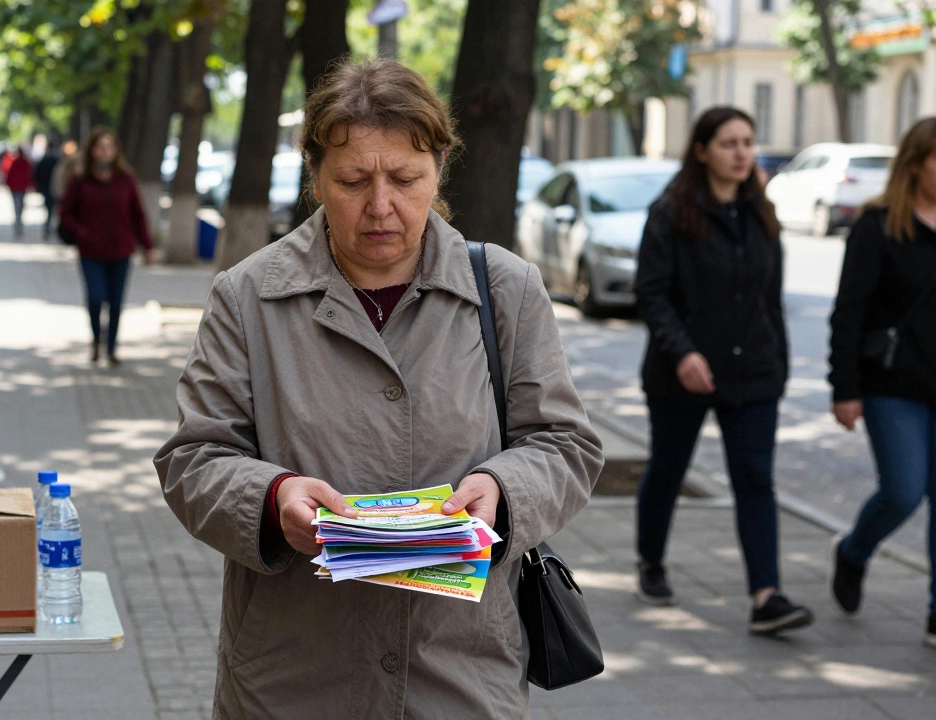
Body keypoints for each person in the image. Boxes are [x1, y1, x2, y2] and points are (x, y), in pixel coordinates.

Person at [153, 58, 602, 718]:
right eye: (354, 180)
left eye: (405, 179)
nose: (381, 205)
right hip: (291, 680)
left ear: (439, 169)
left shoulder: (505, 289)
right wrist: (272, 498)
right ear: (315, 177)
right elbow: (194, 458)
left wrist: (503, 490)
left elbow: (563, 443)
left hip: (460, 677)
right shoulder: (247, 296)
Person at [634, 106, 812, 634]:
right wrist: (683, 353)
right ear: (702, 151)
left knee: (755, 479)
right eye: (729, 143)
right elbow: (652, 293)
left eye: (747, 142)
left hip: (753, 370)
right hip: (682, 371)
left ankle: (766, 596)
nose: (741, 153)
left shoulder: (761, 211)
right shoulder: (671, 211)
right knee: (669, 468)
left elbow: (769, 298)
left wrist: (778, 364)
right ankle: (650, 561)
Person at [828, 117, 936, 649]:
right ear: (915, 164)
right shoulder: (878, 227)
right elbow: (849, 313)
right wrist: (843, 388)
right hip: (893, 385)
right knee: (903, 490)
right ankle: (853, 552)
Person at [58, 127, 153, 364]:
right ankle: (96, 338)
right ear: (92, 150)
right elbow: (65, 212)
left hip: (121, 250)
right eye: (100, 147)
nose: (105, 151)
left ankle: (111, 348)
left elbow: (138, 213)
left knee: (116, 301)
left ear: (115, 150)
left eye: (109, 147)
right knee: (95, 296)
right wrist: (81, 232)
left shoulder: (126, 178)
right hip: (91, 250)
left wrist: (147, 245)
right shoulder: (80, 179)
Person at [4, 146, 34, 238]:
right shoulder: (23, 162)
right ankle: (18, 223)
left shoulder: (18, 162)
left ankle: (18, 223)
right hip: (20, 187)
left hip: (17, 187)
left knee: (17, 205)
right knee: (19, 205)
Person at [35, 141, 61, 240]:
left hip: (47, 188)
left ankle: (48, 227)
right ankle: (49, 228)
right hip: (51, 188)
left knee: (50, 209)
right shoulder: (56, 161)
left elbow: (37, 174)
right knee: (52, 209)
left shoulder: (45, 160)